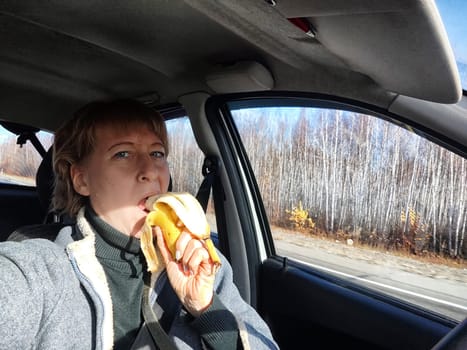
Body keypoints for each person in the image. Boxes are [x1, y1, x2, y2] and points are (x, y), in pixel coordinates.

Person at [0, 99, 278, 349]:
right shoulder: (39, 270)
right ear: (81, 180)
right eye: (123, 154)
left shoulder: (205, 268)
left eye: (157, 154)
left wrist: (205, 310)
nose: (150, 171)